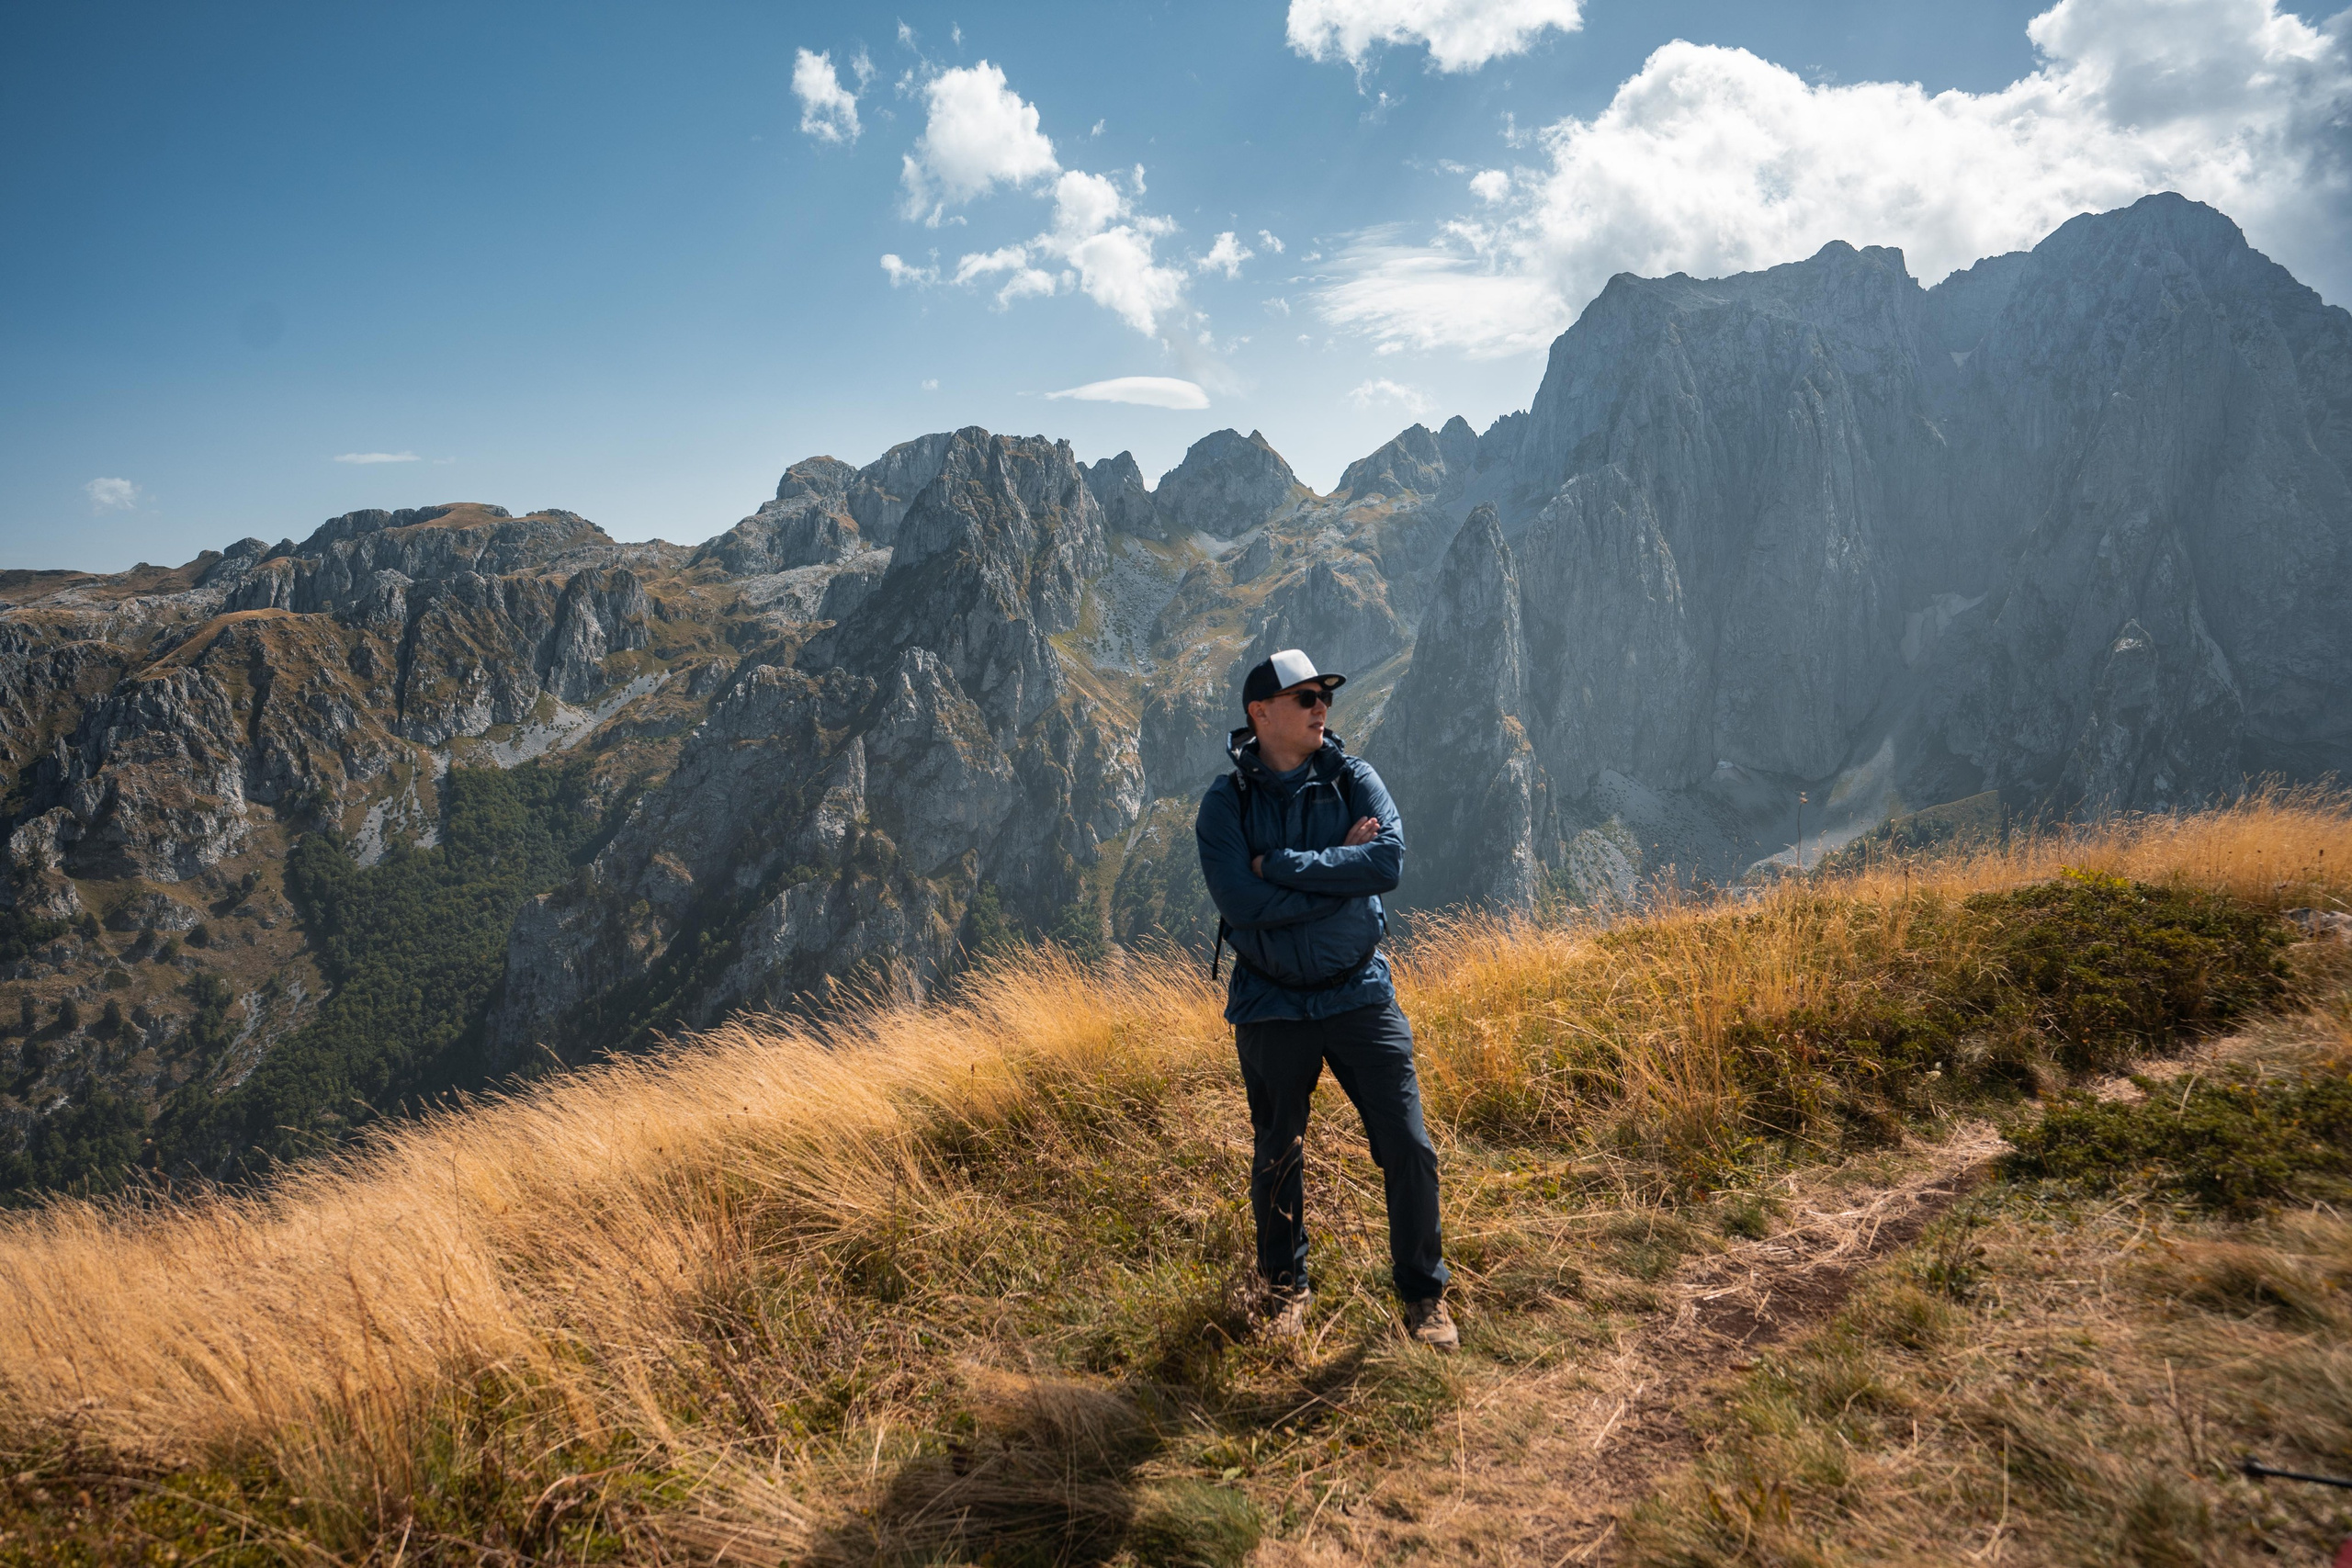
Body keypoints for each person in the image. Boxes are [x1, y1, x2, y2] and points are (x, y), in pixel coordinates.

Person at [1193, 647, 1455, 1351]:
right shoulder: (1226, 803)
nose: (1321, 709)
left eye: (1325, 698)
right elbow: (1236, 900)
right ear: (1260, 712)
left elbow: (1388, 862)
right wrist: (1340, 871)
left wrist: (1281, 866)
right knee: (1278, 1150)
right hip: (1271, 1003)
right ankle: (1284, 1290)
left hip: (1359, 993)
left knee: (1407, 1142)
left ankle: (1424, 1297)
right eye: (1306, 696)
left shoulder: (1353, 778)